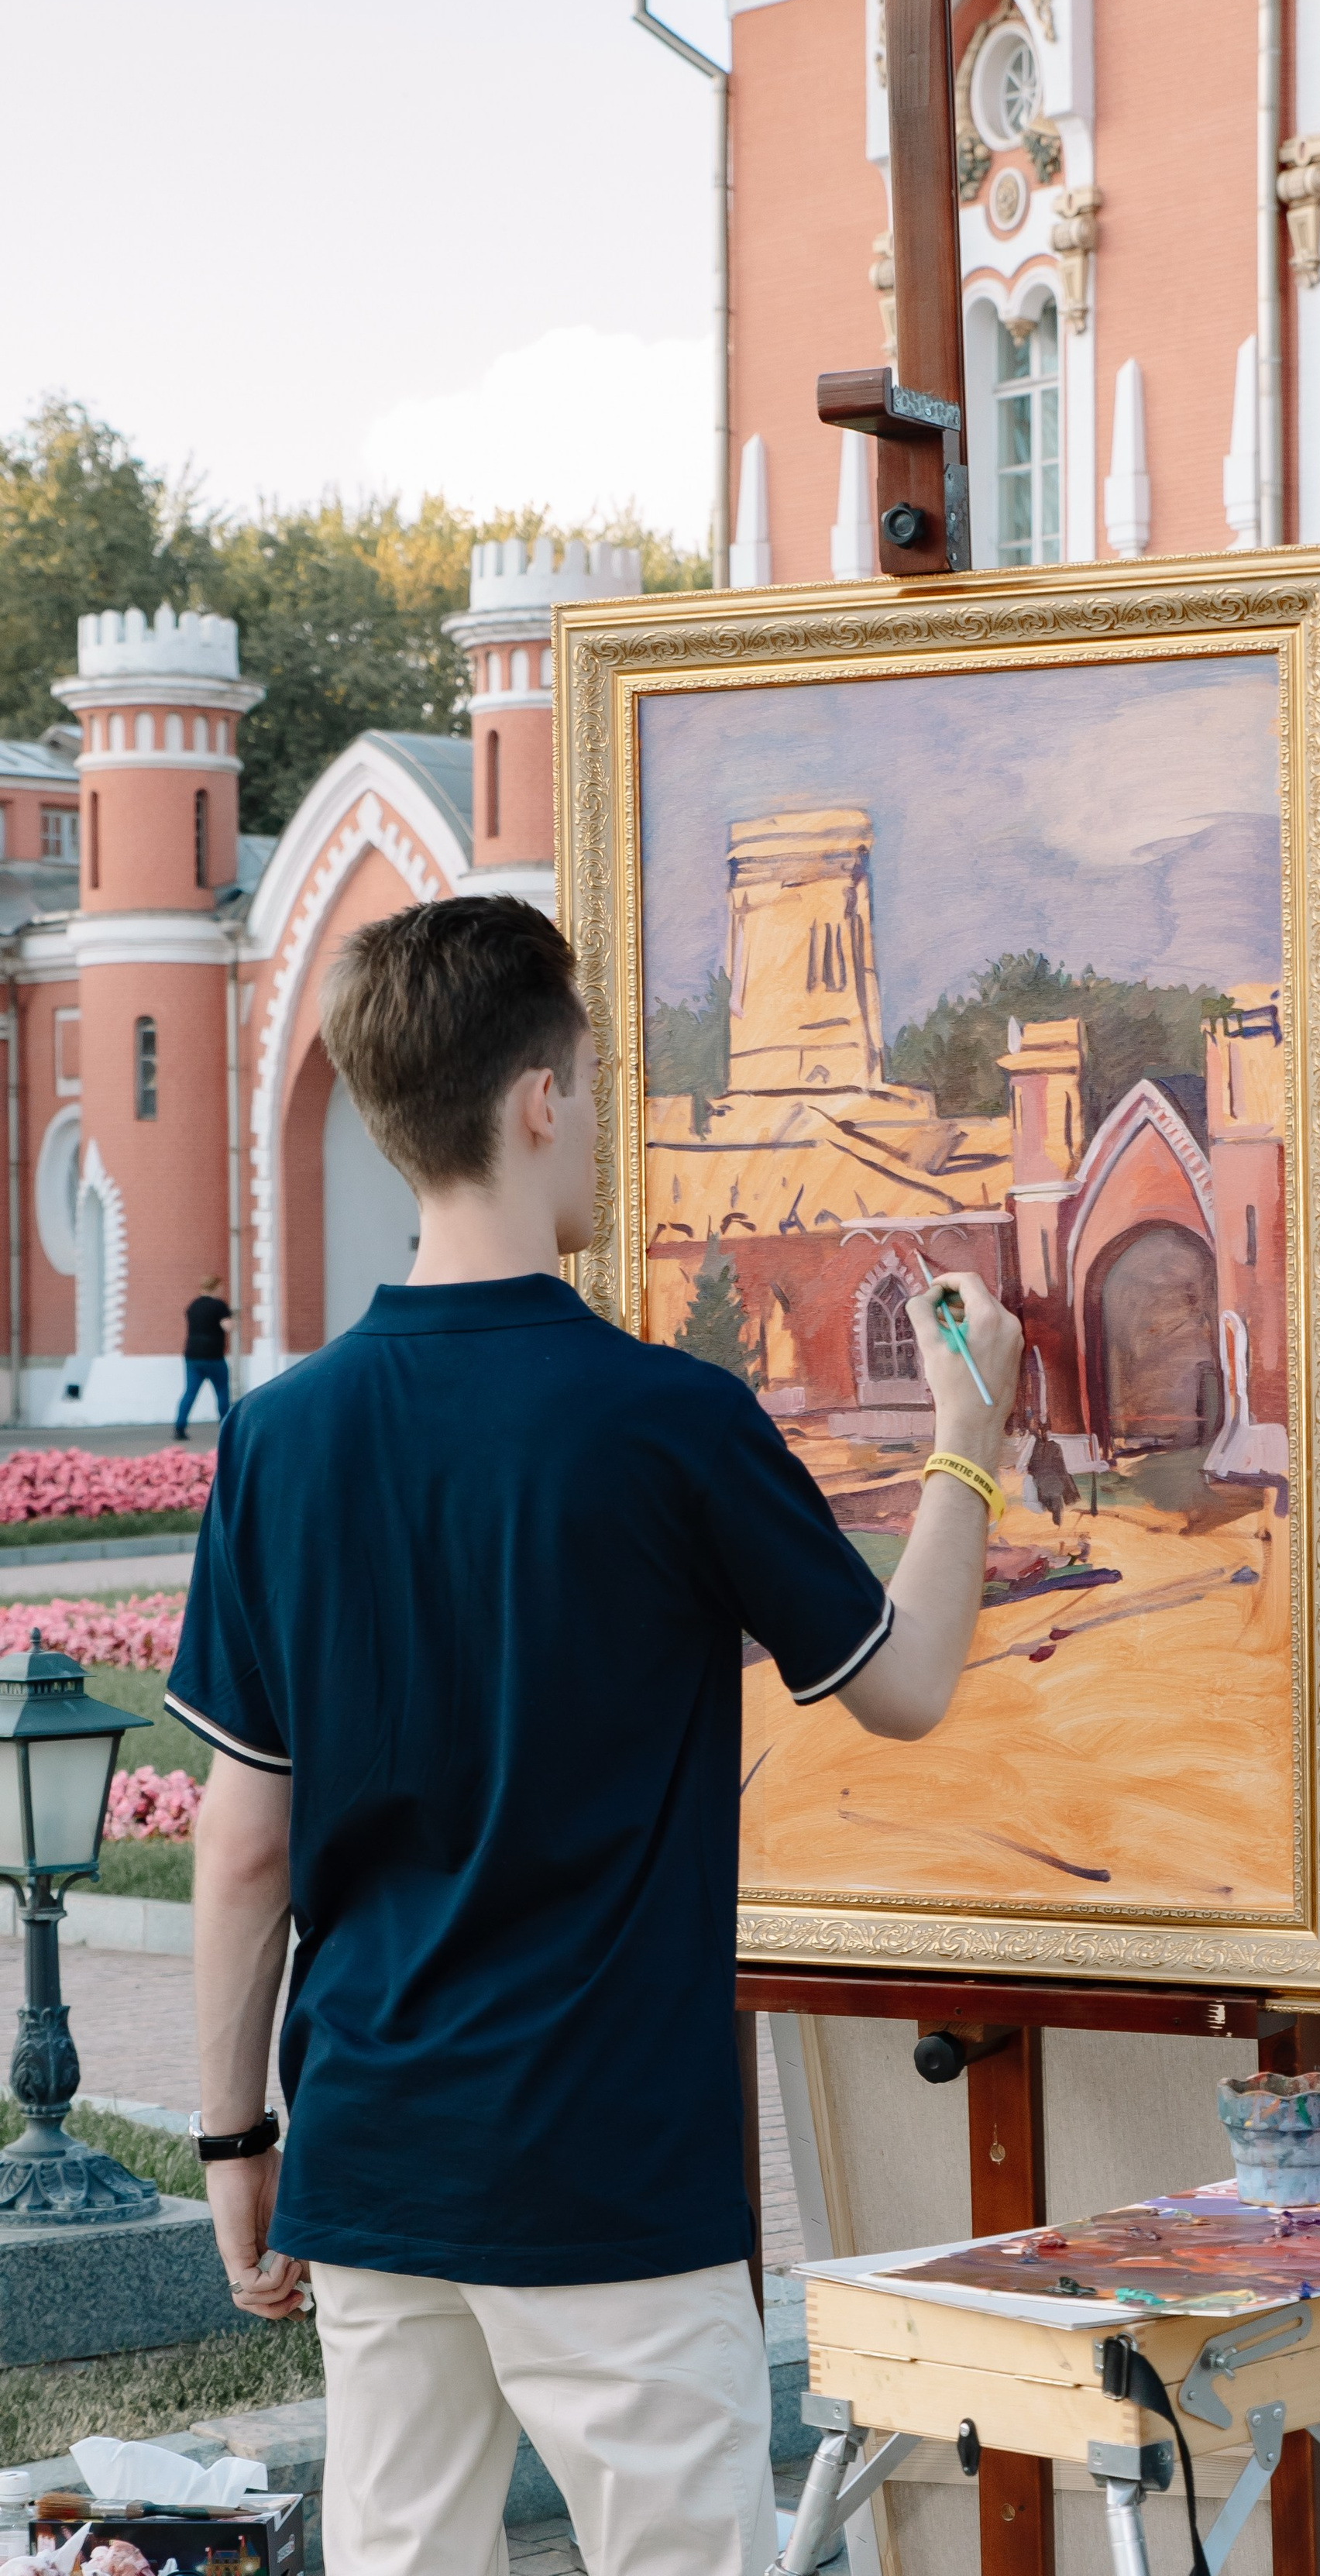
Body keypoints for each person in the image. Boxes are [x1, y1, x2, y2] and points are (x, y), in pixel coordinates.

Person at [167, 896, 1023, 2576]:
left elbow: (241, 1839)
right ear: (538, 1100)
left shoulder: (279, 1439)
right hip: (609, 2169)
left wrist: (231, 2144)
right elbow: (903, 1682)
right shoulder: (668, 1423)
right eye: (592, 1079)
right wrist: (969, 1436)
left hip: (375, 2149)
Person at [173, 1275, 232, 1438]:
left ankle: (180, 1427)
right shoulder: (219, 1306)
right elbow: (228, 1326)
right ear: (216, 1288)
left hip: (192, 1356)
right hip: (213, 1356)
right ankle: (226, 1427)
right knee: (221, 1391)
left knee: (190, 1392)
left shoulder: (193, 1306)